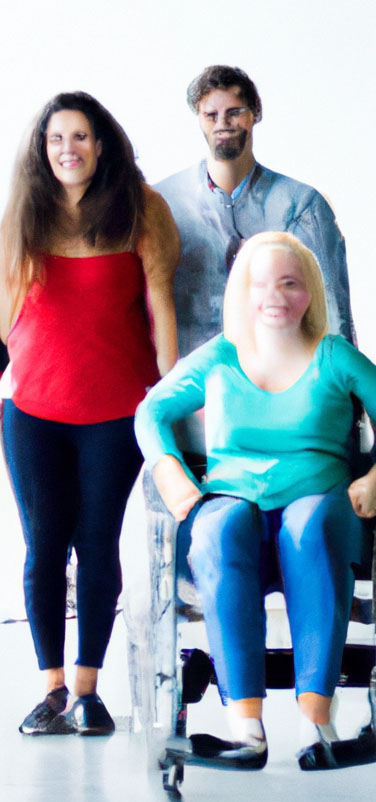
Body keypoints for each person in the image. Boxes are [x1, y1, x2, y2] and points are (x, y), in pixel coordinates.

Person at [135, 232, 376, 770]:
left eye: (290, 283)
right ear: (241, 294)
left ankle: (316, 722)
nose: (275, 296)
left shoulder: (334, 356)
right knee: (218, 529)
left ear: (310, 293)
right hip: (234, 500)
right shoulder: (220, 357)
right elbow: (150, 413)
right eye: (261, 284)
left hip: (317, 500)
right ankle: (246, 729)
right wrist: (171, 472)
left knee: (308, 527)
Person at [0, 92, 179, 735]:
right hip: (33, 409)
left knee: (96, 542)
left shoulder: (140, 209)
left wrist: (168, 397)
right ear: (42, 148)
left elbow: (161, 309)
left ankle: (88, 691)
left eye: (80, 136)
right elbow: (6, 314)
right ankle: (50, 690)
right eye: (56, 139)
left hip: (116, 410)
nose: (67, 149)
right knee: (43, 547)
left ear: (100, 145)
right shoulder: (24, 212)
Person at [155, 65, 354, 369]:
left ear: (255, 114)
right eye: (211, 115)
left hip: (282, 383)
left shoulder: (300, 205)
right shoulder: (165, 204)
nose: (223, 123)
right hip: (192, 389)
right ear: (198, 118)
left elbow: (333, 309)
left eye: (234, 112)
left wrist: (345, 396)